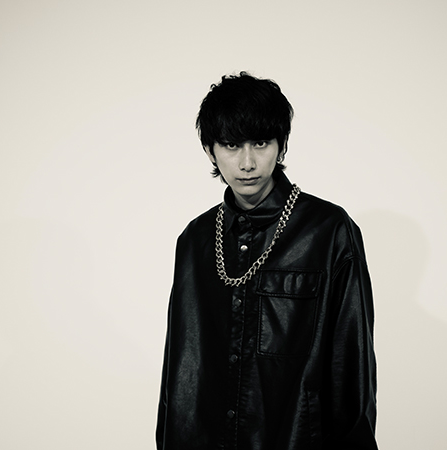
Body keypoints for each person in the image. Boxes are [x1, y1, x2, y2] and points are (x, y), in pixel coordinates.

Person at [156, 72, 378, 450]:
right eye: (231, 145)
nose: (247, 163)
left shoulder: (328, 232)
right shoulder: (195, 239)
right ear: (210, 151)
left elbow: (351, 365)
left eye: (260, 143)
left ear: (281, 146)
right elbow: (179, 365)